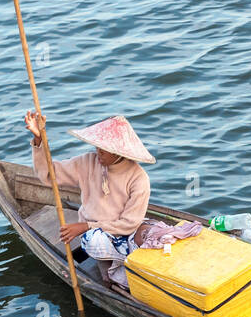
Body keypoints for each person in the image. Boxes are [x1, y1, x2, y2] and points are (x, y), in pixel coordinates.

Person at [23, 111, 154, 284]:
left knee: (152, 234)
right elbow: (49, 175)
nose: (98, 154)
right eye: (97, 149)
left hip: (124, 233)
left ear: (117, 153)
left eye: (103, 151)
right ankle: (113, 274)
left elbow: (129, 224)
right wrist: (39, 139)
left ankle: (124, 271)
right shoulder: (88, 162)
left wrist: (85, 226)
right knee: (94, 241)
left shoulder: (139, 178)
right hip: (96, 237)